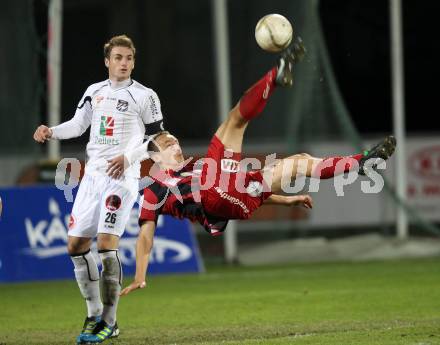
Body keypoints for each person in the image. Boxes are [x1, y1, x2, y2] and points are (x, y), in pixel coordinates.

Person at [119, 45, 396, 296]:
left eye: (175, 140)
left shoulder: (194, 167)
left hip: (243, 200)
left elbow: (236, 192)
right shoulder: (154, 190)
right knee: (235, 121)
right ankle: (276, 75)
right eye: (168, 143)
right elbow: (146, 235)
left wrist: (287, 199)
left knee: (299, 162)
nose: (176, 144)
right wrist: (140, 276)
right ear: (153, 156)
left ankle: (360, 163)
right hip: (217, 197)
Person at [33, 35, 165, 344]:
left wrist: (128, 157)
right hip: (92, 178)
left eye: (129, 58)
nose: (124, 63)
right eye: (118, 57)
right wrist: (51, 132)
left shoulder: (145, 96)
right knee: (75, 246)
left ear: (133, 61)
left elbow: (159, 139)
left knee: (107, 245)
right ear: (107, 61)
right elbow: (78, 125)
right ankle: (93, 314)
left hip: (122, 178)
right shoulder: (95, 92)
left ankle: (110, 320)